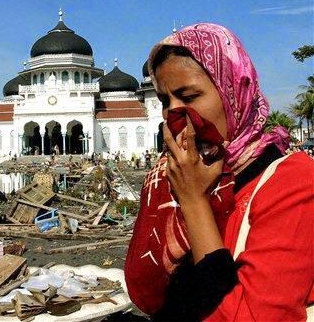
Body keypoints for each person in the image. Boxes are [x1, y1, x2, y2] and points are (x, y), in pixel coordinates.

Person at [125, 23, 313, 321]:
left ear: (233, 92)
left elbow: (251, 316)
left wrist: (194, 202)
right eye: (164, 100)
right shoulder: (178, 176)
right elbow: (151, 294)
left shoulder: (291, 181)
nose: (172, 113)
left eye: (188, 97)